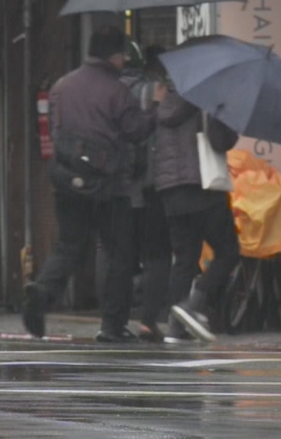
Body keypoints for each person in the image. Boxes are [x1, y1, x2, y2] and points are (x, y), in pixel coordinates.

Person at [22, 26, 163, 343]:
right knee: (118, 253)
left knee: (69, 246)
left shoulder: (61, 86)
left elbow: (54, 131)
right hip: (108, 186)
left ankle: (42, 292)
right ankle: (112, 326)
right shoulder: (117, 91)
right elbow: (136, 131)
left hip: (67, 180)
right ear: (114, 56)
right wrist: (154, 108)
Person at [153, 83, 241, 342]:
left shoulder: (161, 103)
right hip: (202, 188)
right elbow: (221, 140)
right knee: (229, 250)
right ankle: (193, 303)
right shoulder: (207, 98)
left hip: (170, 191)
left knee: (184, 259)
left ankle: (176, 328)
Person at [120, 45, 173, 342]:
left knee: (118, 254)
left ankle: (114, 319)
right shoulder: (154, 90)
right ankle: (149, 321)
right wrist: (155, 106)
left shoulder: (109, 91)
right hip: (151, 186)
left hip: (118, 187)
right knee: (157, 255)